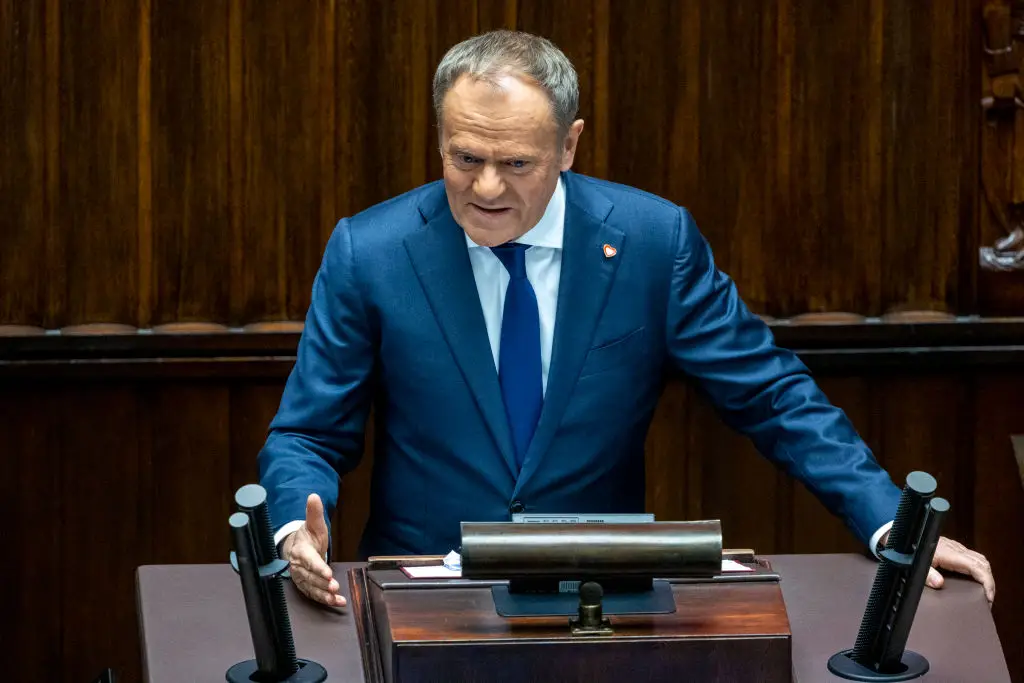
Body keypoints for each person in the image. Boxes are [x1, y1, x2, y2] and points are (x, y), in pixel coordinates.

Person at [258, 30, 995, 608]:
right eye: (465, 157)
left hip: (598, 594)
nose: (485, 187)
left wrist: (890, 520)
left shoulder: (652, 243)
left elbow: (772, 395)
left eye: (516, 164)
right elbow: (307, 432)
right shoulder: (371, 252)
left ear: (569, 145)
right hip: (421, 592)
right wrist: (295, 528)